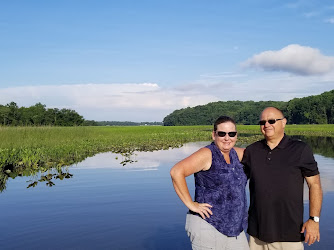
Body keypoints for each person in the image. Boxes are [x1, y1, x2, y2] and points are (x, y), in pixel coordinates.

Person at [242, 107, 323, 250]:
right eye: (262, 122)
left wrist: (314, 220)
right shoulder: (251, 151)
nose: (266, 125)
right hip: (256, 234)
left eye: (271, 121)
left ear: (283, 122)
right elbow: (235, 181)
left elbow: (315, 184)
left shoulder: (300, 149)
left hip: (290, 234)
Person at [170, 116, 249, 250]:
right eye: (222, 133)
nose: (227, 138)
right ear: (214, 135)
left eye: (231, 134)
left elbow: (262, 155)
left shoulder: (237, 153)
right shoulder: (207, 154)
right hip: (208, 225)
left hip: (236, 229)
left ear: (236, 135)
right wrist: (191, 204)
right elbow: (177, 171)